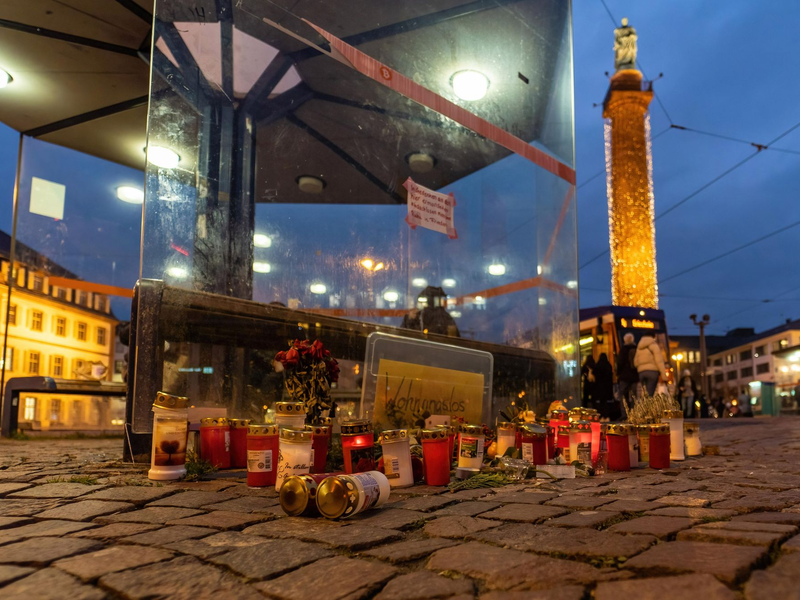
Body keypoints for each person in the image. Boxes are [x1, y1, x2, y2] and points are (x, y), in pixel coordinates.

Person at [593, 353, 618, 420]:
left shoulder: (597, 365)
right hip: (607, 388)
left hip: (599, 388)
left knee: (601, 402)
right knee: (606, 403)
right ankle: (606, 415)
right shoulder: (608, 365)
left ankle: (600, 416)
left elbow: (594, 374)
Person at [617, 333, 639, 406]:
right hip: (635, 376)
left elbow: (620, 363)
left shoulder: (623, 349)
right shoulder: (637, 349)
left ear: (625, 340)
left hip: (624, 377)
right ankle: (634, 413)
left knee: (623, 396)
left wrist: (618, 374)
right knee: (634, 396)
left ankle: (625, 414)